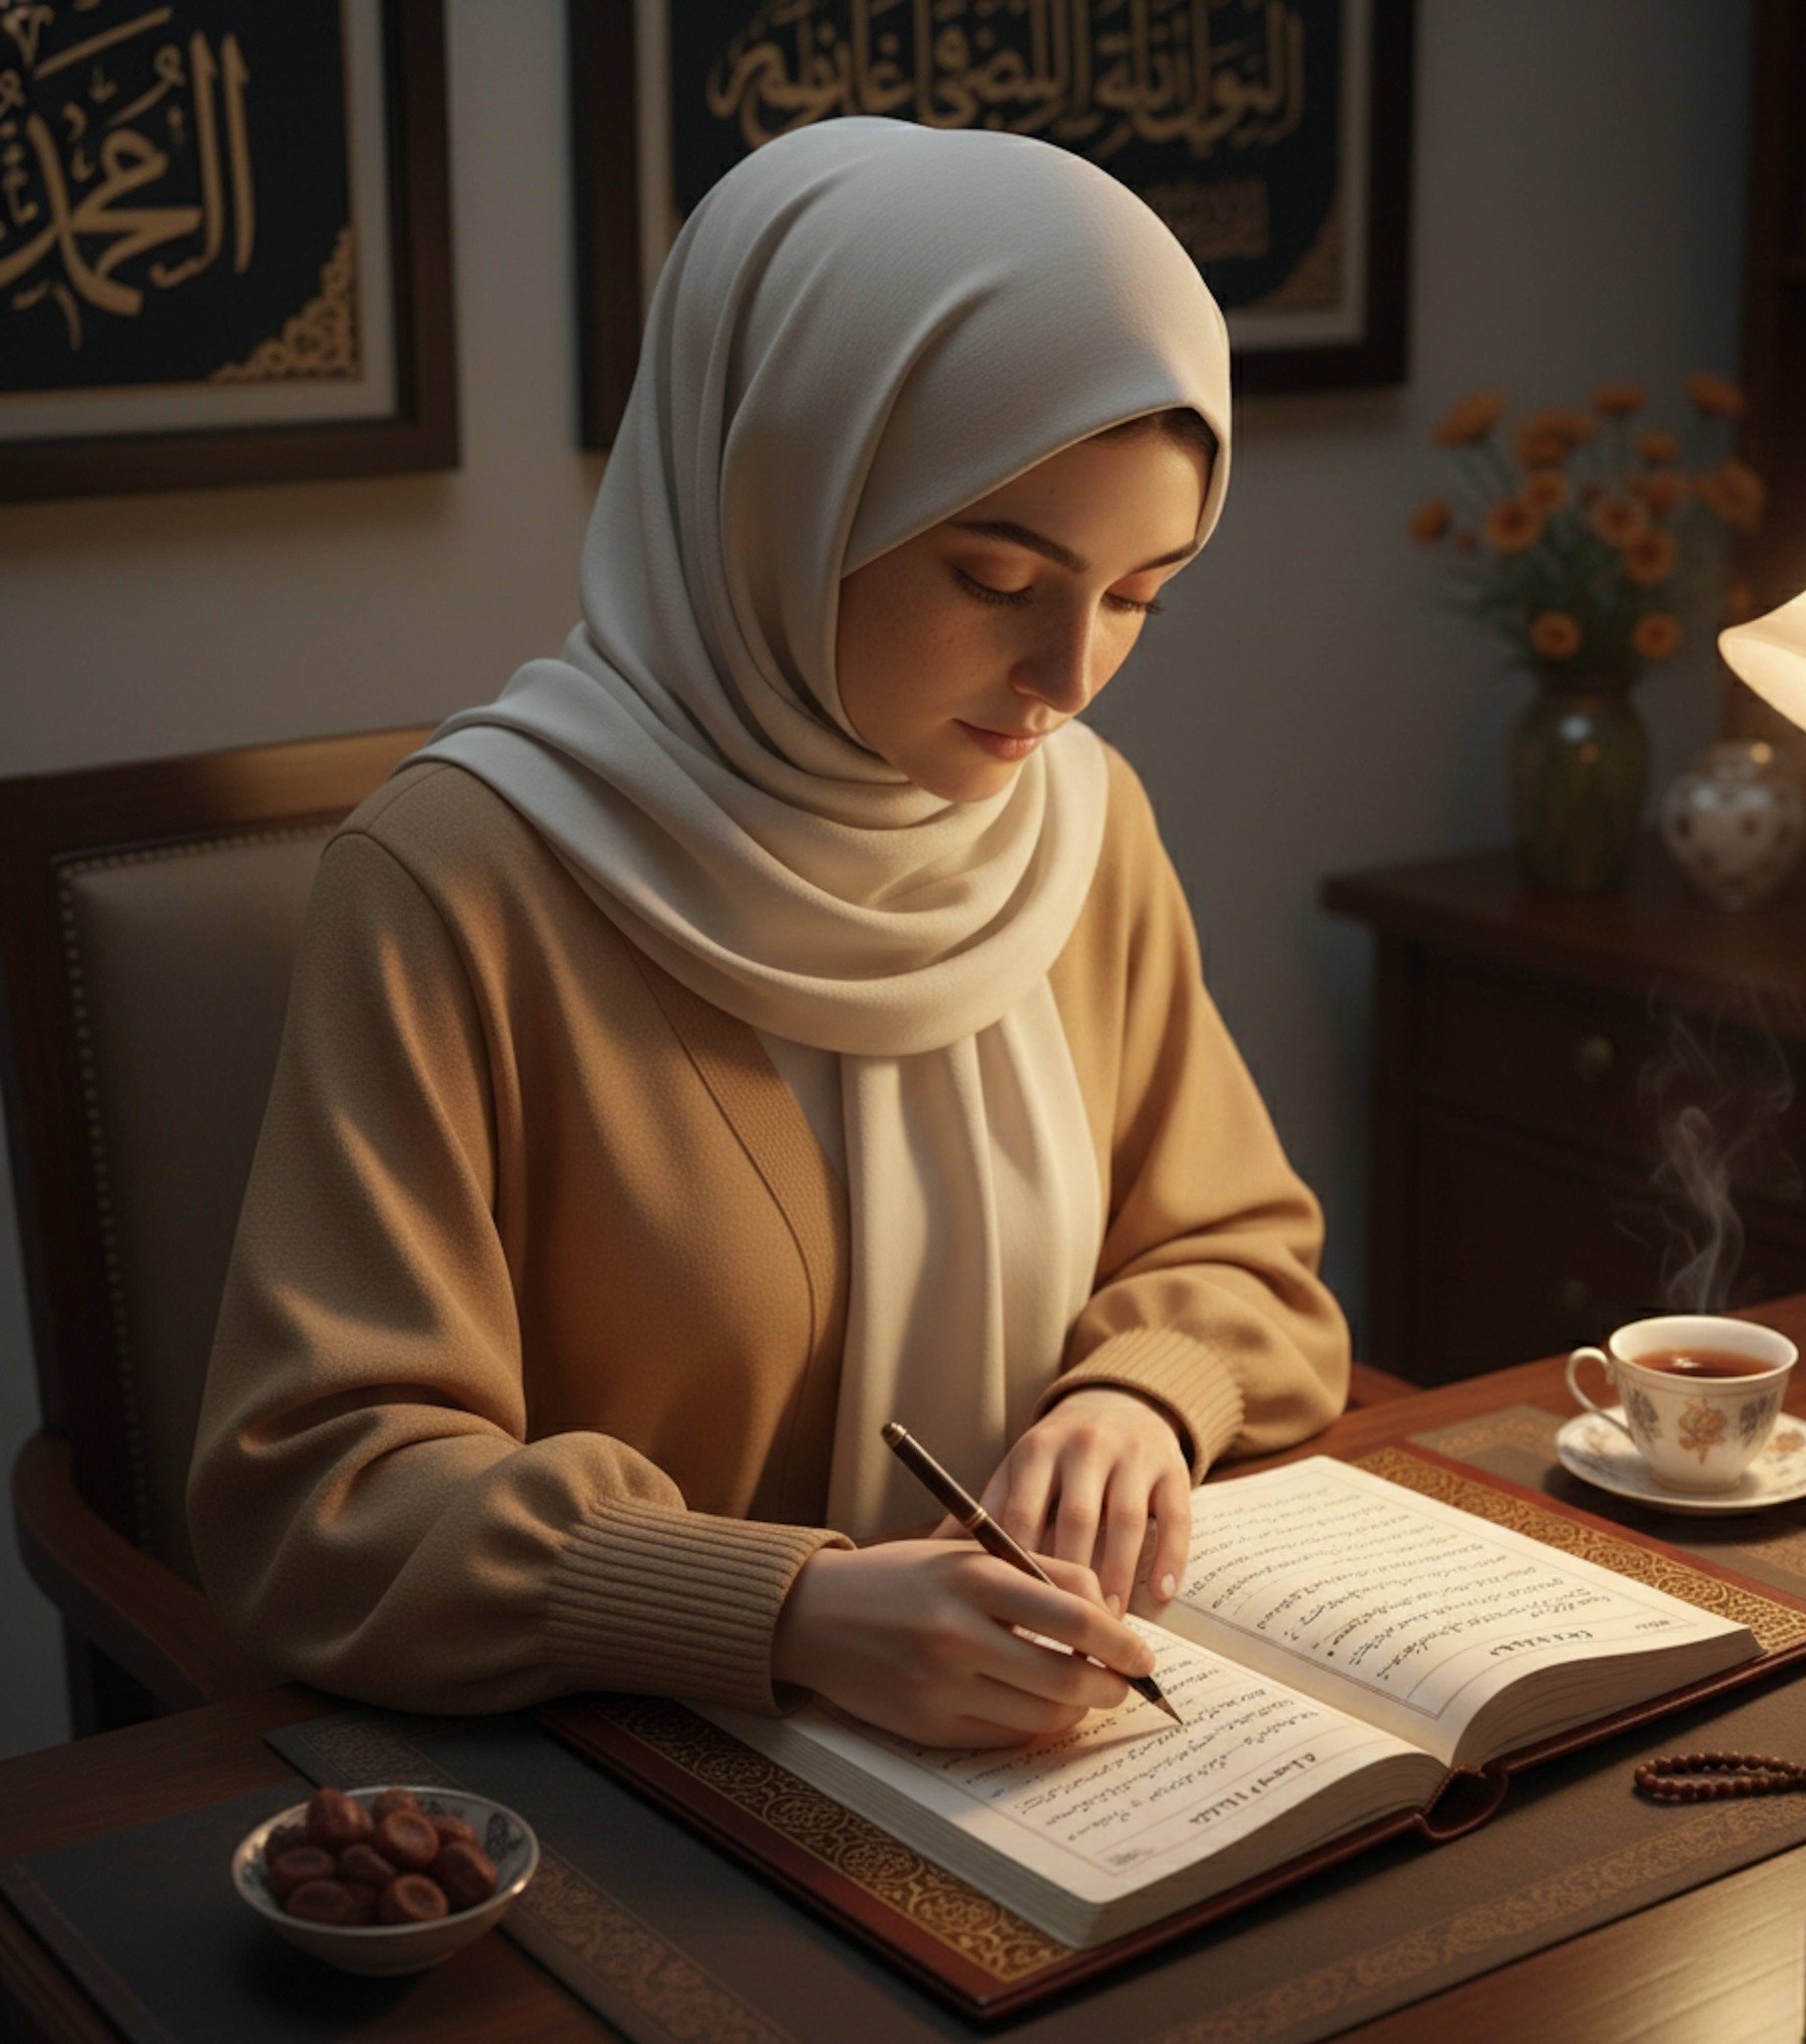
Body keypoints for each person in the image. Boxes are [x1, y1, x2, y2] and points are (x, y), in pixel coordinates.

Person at [188, 118, 1348, 1750]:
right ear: (780, 499)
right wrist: (781, 1610)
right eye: (996, 573)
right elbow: (325, 1496)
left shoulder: (1079, 831)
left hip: (1044, 1771)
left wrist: (1142, 1390)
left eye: (1140, 592)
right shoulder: (462, 880)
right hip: (632, 1789)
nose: (1071, 673)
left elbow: (1249, 1267)